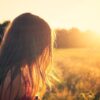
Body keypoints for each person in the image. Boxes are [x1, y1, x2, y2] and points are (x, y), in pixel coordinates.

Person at [0, 13, 53, 100]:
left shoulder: (16, 72)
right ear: (34, 45)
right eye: (44, 45)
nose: (44, 51)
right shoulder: (13, 79)